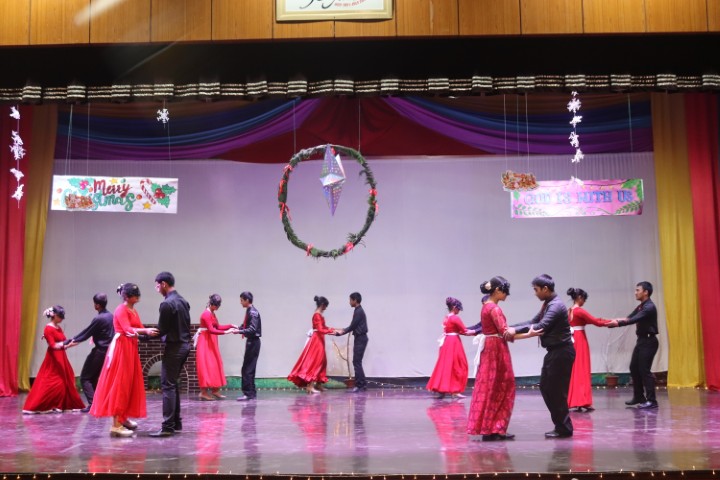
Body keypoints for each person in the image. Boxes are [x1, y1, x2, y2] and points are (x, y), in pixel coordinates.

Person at [467, 277, 542, 441]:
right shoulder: (494, 309)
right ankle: (496, 427)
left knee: (490, 387)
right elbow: (506, 333)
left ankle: (489, 427)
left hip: (490, 348)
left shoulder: (486, 307)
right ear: (497, 290)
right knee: (503, 387)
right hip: (496, 350)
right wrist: (529, 334)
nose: (506, 295)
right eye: (504, 291)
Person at [505, 274, 575, 438]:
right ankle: (561, 426)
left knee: (556, 392)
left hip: (562, 352)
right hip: (555, 353)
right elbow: (532, 321)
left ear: (545, 289)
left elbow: (541, 325)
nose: (535, 293)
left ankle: (564, 428)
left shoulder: (556, 306)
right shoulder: (548, 304)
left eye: (536, 290)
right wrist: (508, 327)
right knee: (546, 387)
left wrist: (513, 331)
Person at [90, 284, 159, 437]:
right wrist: (145, 331)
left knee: (129, 383)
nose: (137, 297)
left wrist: (150, 332)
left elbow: (138, 327)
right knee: (120, 384)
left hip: (130, 348)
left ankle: (123, 418)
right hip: (122, 348)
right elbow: (127, 329)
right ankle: (116, 425)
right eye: (134, 294)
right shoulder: (121, 310)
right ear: (126, 296)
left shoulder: (133, 310)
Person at [23, 305, 85, 414]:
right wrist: (63, 344)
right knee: (52, 381)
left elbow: (65, 343)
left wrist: (78, 340)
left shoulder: (58, 328)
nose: (61, 319)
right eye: (60, 316)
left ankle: (59, 405)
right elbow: (52, 345)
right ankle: (36, 405)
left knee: (65, 380)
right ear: (54, 315)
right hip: (53, 359)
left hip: (61, 357)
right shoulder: (48, 328)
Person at [607, 281, 659, 409]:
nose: (635, 293)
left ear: (646, 292)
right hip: (641, 341)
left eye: (637, 290)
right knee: (634, 368)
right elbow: (629, 317)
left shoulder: (649, 307)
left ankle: (652, 401)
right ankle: (639, 396)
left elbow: (633, 320)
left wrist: (618, 324)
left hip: (649, 342)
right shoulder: (641, 306)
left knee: (644, 370)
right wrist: (611, 321)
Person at [151, 271, 192, 437]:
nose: (157, 289)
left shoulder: (167, 304)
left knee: (167, 385)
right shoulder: (183, 301)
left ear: (164, 284)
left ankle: (167, 427)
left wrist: (141, 336)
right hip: (185, 346)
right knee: (173, 384)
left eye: (157, 286)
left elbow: (161, 330)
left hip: (174, 347)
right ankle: (176, 423)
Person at [66, 293, 115, 412]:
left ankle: (93, 404)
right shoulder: (110, 316)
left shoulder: (99, 319)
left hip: (100, 351)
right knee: (94, 378)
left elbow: (86, 333)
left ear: (97, 305)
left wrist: (69, 342)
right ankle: (99, 403)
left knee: (85, 377)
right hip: (109, 352)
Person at [566, 287, 611, 412]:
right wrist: (612, 322)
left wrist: (602, 320)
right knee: (582, 368)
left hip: (573, 340)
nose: (584, 302)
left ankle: (577, 400)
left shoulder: (570, 311)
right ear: (580, 298)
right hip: (580, 340)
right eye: (584, 299)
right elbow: (596, 322)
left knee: (576, 369)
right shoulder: (579, 311)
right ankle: (582, 400)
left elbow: (589, 321)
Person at [288, 296, 336, 394]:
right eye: (325, 306)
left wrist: (334, 330)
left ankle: (318, 384)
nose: (325, 308)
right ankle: (310, 386)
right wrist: (332, 331)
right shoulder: (317, 315)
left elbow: (324, 327)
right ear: (322, 305)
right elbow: (321, 329)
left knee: (322, 361)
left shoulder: (319, 315)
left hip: (320, 339)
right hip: (316, 340)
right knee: (316, 362)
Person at [426, 297, 469, 399]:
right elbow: (464, 330)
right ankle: (455, 390)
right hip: (454, 342)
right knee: (459, 365)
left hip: (447, 342)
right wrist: (477, 331)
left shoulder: (447, 317)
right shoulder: (455, 318)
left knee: (446, 365)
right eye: (458, 308)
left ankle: (442, 389)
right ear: (454, 307)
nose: (459, 310)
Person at [195, 294, 235, 401]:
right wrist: (226, 332)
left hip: (211, 340)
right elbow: (212, 330)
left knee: (215, 363)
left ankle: (215, 390)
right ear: (211, 304)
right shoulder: (206, 314)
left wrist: (231, 325)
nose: (217, 307)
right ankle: (203, 393)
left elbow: (218, 327)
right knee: (206, 365)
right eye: (216, 305)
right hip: (205, 341)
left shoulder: (212, 313)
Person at [334, 292, 369, 392]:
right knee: (357, 362)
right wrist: (343, 330)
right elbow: (353, 326)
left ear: (355, 300)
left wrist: (341, 332)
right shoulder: (358, 310)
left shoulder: (359, 311)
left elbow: (352, 326)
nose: (349, 302)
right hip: (360, 338)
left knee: (356, 362)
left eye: (350, 300)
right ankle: (362, 384)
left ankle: (360, 385)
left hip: (361, 338)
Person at [232, 291, 262, 401]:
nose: (240, 302)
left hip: (253, 342)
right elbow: (247, 325)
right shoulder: (250, 311)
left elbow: (252, 329)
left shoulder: (252, 312)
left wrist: (239, 331)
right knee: (249, 368)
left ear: (247, 300)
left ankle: (248, 393)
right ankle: (251, 392)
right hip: (252, 342)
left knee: (247, 369)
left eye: (241, 300)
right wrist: (238, 328)